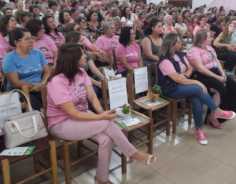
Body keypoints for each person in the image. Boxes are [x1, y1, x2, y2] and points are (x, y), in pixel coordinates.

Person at [46, 43, 156, 184]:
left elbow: (92, 96)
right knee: (105, 123)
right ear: (72, 58)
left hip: (82, 114)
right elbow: (72, 113)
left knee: (106, 138)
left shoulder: (81, 72)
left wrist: (100, 111)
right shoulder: (57, 82)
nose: (86, 56)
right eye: (82, 54)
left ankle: (101, 178)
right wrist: (100, 117)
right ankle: (133, 154)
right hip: (61, 123)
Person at [158, 33, 236, 145]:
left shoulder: (179, 54)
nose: (181, 44)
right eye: (178, 42)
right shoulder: (165, 61)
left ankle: (199, 130)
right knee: (197, 87)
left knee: (198, 100)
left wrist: (185, 76)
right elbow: (177, 80)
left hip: (183, 84)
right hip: (171, 89)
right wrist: (197, 82)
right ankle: (216, 110)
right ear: (171, 44)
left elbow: (189, 68)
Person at [187, 29, 236, 128]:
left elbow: (216, 60)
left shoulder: (209, 47)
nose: (211, 39)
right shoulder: (194, 51)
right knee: (220, 88)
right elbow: (200, 69)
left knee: (232, 84)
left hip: (214, 72)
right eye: (209, 37)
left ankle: (224, 111)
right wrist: (217, 77)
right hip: (200, 75)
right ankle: (213, 115)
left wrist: (222, 72)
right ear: (202, 39)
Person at [3, 28, 50, 110]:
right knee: (38, 108)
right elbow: (15, 83)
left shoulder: (38, 53)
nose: (32, 41)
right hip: (19, 91)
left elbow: (47, 71)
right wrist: (35, 87)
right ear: (17, 42)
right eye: (27, 39)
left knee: (54, 103)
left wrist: (41, 84)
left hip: (40, 87)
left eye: (31, 38)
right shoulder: (9, 58)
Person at [65, 32, 106, 98]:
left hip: (91, 78)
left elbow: (94, 69)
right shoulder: (69, 56)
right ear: (73, 42)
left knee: (107, 86)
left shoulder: (85, 52)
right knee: (95, 90)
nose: (84, 42)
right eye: (81, 41)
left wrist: (104, 79)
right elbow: (80, 75)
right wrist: (97, 84)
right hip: (78, 82)